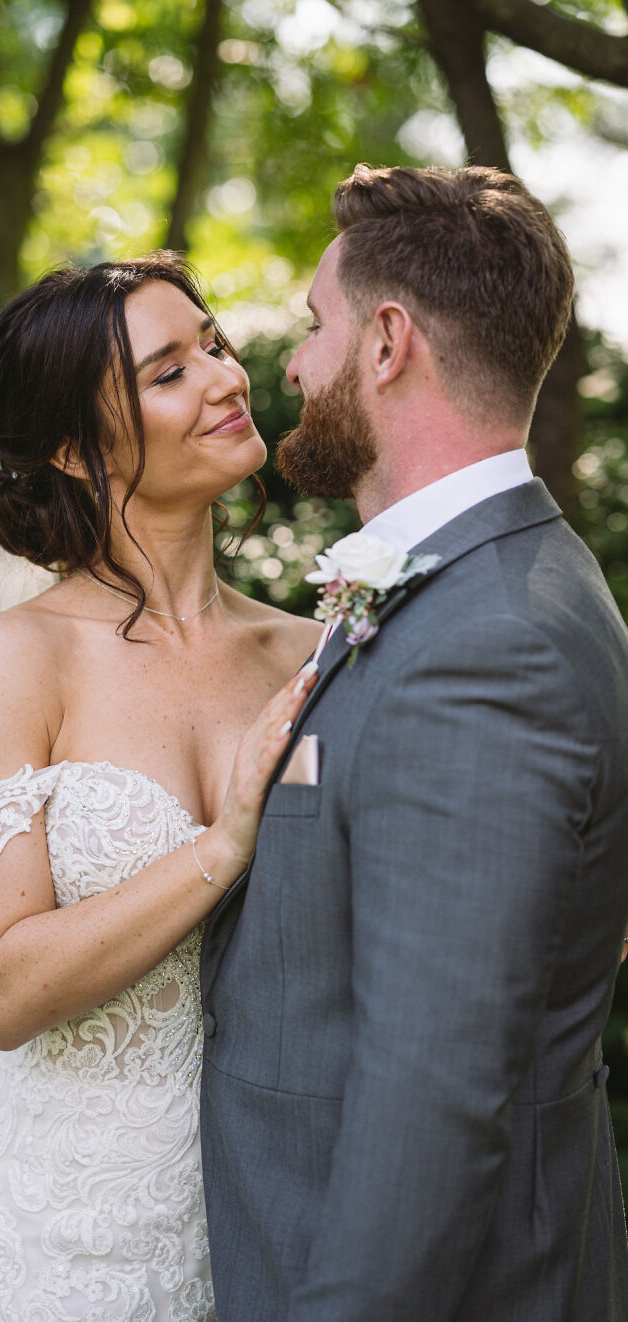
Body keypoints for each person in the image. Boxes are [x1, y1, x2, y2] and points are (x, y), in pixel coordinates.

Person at [0, 254, 321, 1321]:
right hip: (65, 1235)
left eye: (214, 344)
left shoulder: (312, 654)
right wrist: (220, 847)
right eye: (169, 371)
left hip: (276, 1211)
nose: (227, 378)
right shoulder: (15, 660)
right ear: (72, 450)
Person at [199, 164, 628, 1322]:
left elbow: (433, 1092)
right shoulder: (485, 584)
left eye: (310, 326)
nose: (285, 365)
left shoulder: (490, 643)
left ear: (386, 342)